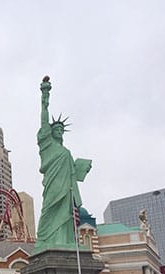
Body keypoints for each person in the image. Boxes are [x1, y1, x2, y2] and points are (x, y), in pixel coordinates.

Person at [35, 76, 92, 250]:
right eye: (56, 129)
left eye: (61, 129)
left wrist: (81, 168)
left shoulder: (66, 151)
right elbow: (44, 119)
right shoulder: (47, 143)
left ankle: (65, 240)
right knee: (49, 209)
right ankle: (44, 239)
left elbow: (72, 171)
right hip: (53, 185)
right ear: (50, 132)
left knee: (66, 214)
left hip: (67, 186)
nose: (59, 131)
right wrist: (45, 96)